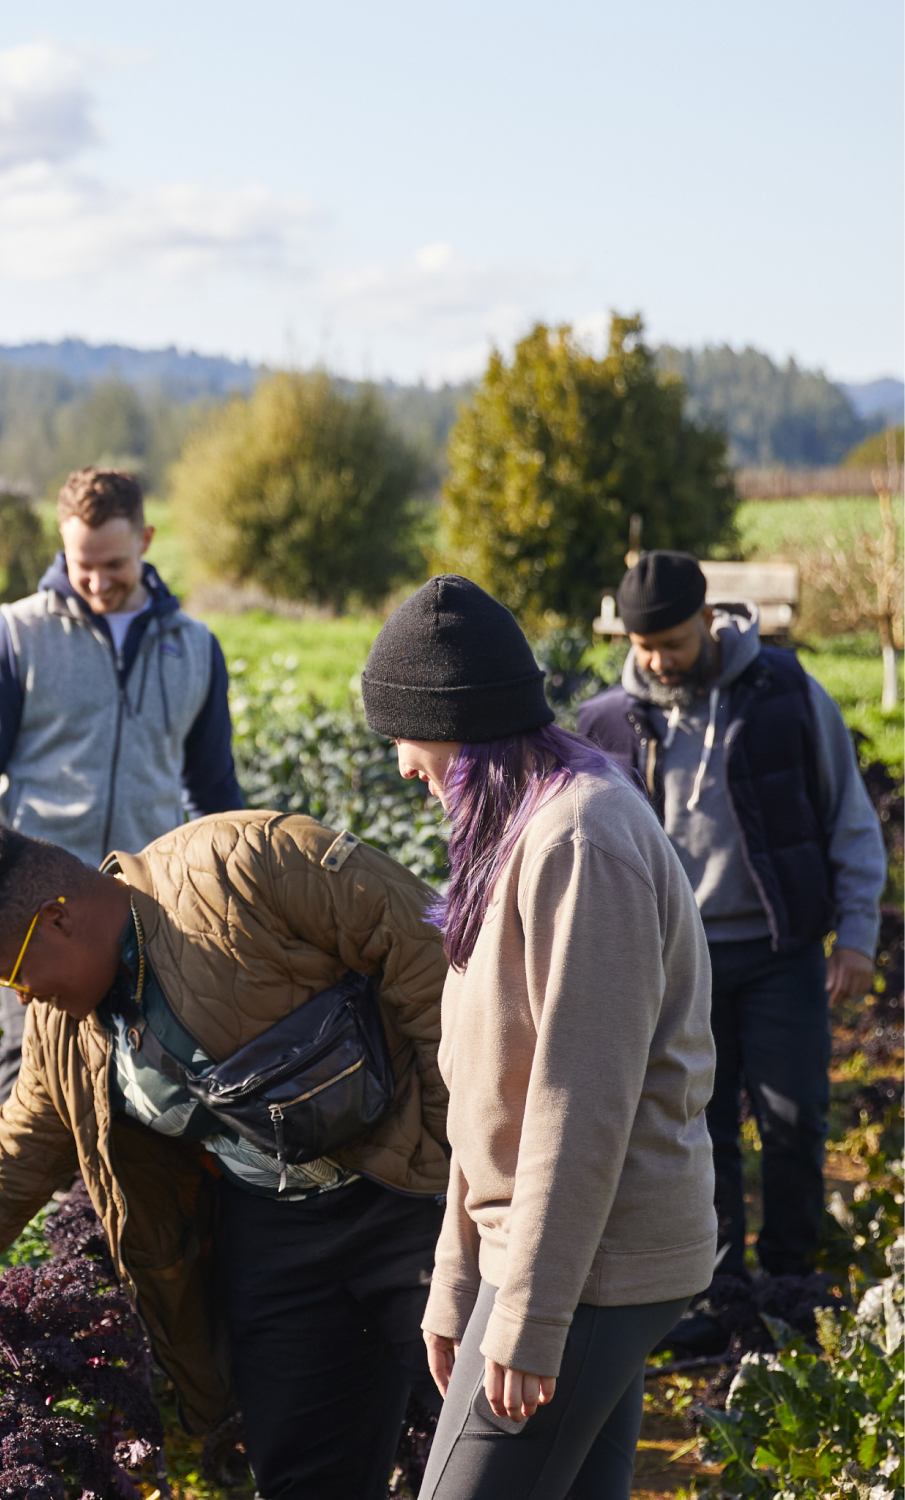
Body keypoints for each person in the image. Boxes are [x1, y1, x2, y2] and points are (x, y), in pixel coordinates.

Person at [0, 808, 451, 1500]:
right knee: (305, 1479)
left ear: (58, 917)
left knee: (502, 1437)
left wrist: (462, 1160)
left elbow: (437, 966)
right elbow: (4, 1167)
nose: (20, 998)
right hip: (278, 1237)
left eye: (14, 974)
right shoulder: (63, 1028)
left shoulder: (248, 863)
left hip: (413, 1198)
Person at [362, 574, 718, 1499]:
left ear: (457, 722)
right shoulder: (514, 835)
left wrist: (523, 1317)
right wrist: (454, 1281)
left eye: (406, 735)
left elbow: (578, 1098)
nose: (403, 765)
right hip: (551, 1253)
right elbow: (489, 1096)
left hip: (591, 1261)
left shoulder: (577, 840)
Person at [578, 550, 886, 1277]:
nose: (656, 661)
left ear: (708, 620)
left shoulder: (783, 691)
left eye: (672, 644)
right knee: (694, 1130)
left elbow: (846, 814)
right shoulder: (604, 726)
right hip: (673, 968)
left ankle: (787, 1276)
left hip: (779, 951)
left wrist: (857, 936)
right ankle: (709, 1282)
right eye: (642, 647)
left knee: (793, 1118)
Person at [0, 466, 245, 1135]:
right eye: (82, 567)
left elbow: (215, 791)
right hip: (32, 911)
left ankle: (109, 1235)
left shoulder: (194, 648)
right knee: (28, 1083)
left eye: (113, 564)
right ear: (61, 543)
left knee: (153, 1095)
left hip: (149, 909)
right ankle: (2, 1236)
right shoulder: (17, 635)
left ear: (145, 539)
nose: (99, 582)